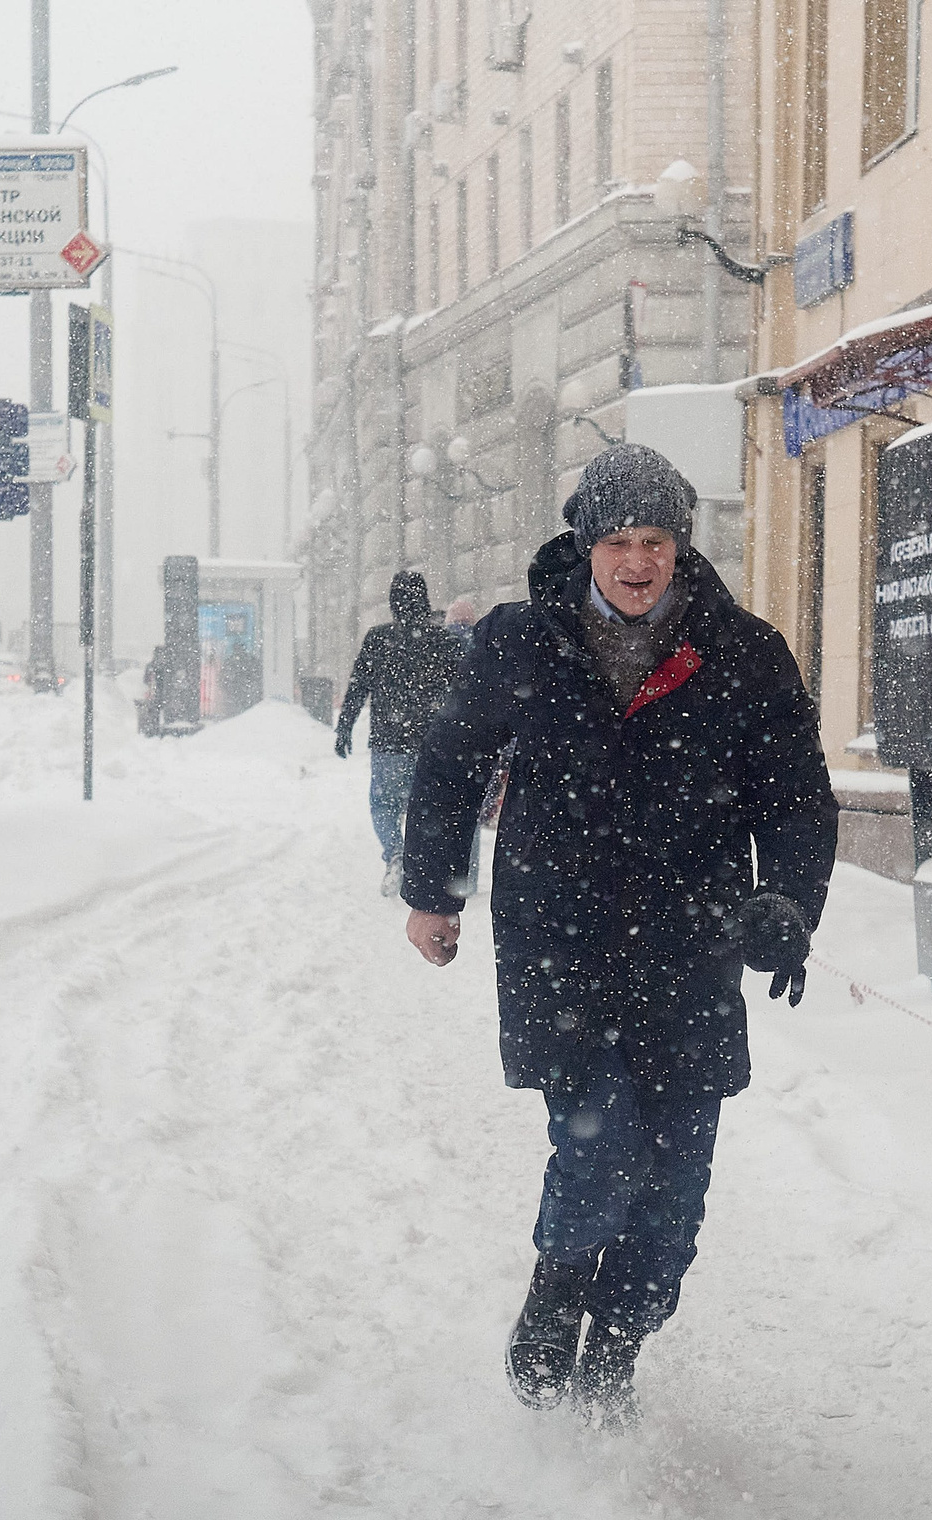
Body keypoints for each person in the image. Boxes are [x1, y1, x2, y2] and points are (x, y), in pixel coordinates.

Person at [398, 443, 837, 1429]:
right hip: (563, 944)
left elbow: (796, 797)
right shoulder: (522, 641)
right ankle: (558, 1285)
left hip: (692, 946)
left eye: (655, 541)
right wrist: (432, 893)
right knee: (600, 1148)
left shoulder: (745, 652)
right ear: (585, 544)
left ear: (680, 545)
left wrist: (788, 903)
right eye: (617, 541)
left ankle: (618, 1351)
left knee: (674, 1193)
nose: (637, 562)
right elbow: (450, 761)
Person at [334, 569, 467, 896]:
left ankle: (395, 852)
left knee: (384, 805)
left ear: (394, 602)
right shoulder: (443, 640)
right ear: (425, 600)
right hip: (432, 742)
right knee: (428, 808)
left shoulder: (378, 639)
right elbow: (462, 692)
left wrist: (344, 727)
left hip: (389, 742)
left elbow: (357, 687)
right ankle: (424, 868)